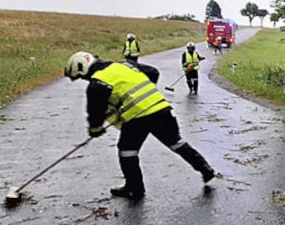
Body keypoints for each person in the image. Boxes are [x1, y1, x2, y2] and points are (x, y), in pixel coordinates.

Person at [64, 51, 215, 200]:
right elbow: (153, 72)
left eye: (81, 77)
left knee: (127, 152)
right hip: (160, 108)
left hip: (137, 117)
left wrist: (95, 130)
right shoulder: (123, 65)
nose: (84, 79)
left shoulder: (97, 83)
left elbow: (96, 112)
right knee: (176, 142)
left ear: (82, 68)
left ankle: (134, 189)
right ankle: (205, 168)